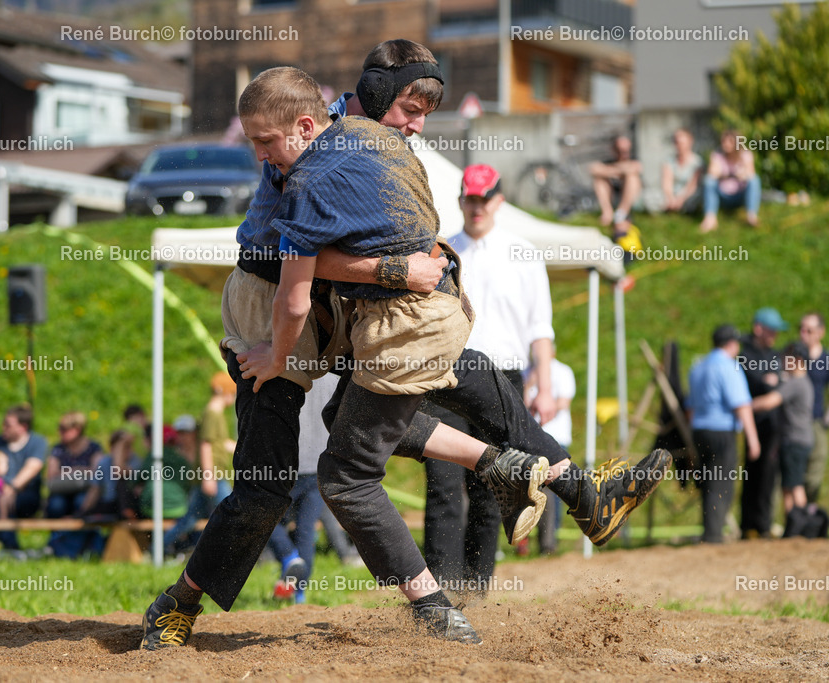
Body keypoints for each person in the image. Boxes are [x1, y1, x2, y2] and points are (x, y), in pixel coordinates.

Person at [140, 45, 668, 652]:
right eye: (411, 109)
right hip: (273, 307)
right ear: (374, 95)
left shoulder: (360, 138)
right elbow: (297, 267)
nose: (418, 126)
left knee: (452, 385)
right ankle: (177, 604)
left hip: (334, 303)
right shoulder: (309, 145)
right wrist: (396, 270)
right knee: (270, 483)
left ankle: (576, 493)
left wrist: (410, 263)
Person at [424, 163, 557, 586]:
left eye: (484, 199)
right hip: (447, 377)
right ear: (461, 199)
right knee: (443, 486)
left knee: (491, 486)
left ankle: (477, 589)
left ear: (498, 200)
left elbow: (541, 328)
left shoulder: (524, 253)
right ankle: (440, 594)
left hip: (503, 379)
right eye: (469, 198)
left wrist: (547, 387)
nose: (476, 206)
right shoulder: (443, 253)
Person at [686, 324, 760, 543]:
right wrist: (752, 439)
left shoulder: (698, 366)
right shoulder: (729, 367)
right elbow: (741, 405)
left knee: (709, 481)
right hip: (722, 431)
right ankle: (714, 535)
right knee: (722, 482)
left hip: (699, 430)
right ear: (731, 344)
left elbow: (690, 406)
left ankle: (710, 530)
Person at [269, 373, 339, 603]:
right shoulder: (333, 373)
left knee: (265, 519)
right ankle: (299, 594)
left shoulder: (286, 366)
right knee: (306, 532)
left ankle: (288, 558)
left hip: (287, 464)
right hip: (320, 464)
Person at [737, 307, 788, 538]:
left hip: (772, 425)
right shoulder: (745, 353)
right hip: (753, 423)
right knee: (751, 474)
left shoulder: (774, 355)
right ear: (758, 328)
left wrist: (772, 380)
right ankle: (748, 524)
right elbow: (761, 381)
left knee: (768, 475)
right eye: (771, 330)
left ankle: (764, 524)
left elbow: (777, 382)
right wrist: (770, 381)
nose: (774, 335)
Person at [752, 341, 815, 518]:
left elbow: (770, 402)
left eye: (785, 359)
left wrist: (744, 406)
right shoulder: (803, 382)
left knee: (795, 486)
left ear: (796, 360)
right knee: (788, 485)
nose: (782, 363)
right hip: (796, 440)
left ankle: (801, 525)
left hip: (795, 440)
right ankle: (793, 524)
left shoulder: (796, 383)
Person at [524, 353, 577, 555]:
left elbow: (565, 401)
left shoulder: (563, 371)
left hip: (557, 437)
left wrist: (545, 404)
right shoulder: (528, 371)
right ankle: (529, 541)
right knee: (531, 490)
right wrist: (530, 384)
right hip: (531, 441)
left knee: (554, 490)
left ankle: (549, 540)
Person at [162, 414, 232, 555]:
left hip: (205, 483)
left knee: (226, 515)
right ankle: (159, 548)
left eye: (186, 432)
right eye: (180, 433)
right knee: (232, 513)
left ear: (194, 432)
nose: (183, 437)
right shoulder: (177, 454)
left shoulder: (200, 446)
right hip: (204, 483)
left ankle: (160, 547)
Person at [0, 404, 48, 550]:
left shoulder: (37, 442)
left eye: (8, 425)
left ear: (23, 427)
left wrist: (12, 489)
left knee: (10, 502)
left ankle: (10, 547)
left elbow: (33, 467)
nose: (3, 427)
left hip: (27, 495)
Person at [45, 411, 104, 558]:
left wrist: (70, 472)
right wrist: (78, 471)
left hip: (85, 491)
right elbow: (51, 475)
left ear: (76, 430)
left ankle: (81, 545)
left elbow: (98, 473)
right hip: (61, 492)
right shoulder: (58, 449)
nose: (59, 432)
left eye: (63, 429)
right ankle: (58, 544)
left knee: (82, 503)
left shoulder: (94, 448)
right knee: (55, 505)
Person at [700, 129, 761, 232]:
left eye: (730, 142)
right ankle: (710, 219)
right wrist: (729, 174)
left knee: (754, 180)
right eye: (724, 141)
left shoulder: (746, 155)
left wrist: (742, 174)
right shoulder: (716, 155)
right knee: (708, 181)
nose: (726, 145)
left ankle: (751, 216)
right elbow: (712, 173)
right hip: (723, 195)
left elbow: (750, 173)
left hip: (740, 195)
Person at [799, 312, 829, 505]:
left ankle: (809, 510)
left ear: (820, 332)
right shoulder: (794, 356)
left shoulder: (826, 358)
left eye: (809, 330)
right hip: (795, 422)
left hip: (816, 420)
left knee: (815, 470)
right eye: (801, 329)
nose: (804, 334)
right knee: (794, 471)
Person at [79, 429, 141, 520]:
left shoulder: (135, 461)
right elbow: (95, 489)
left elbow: (119, 471)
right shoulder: (104, 462)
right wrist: (81, 512)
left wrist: (121, 444)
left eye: (128, 447)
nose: (128, 451)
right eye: (123, 448)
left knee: (122, 484)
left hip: (130, 505)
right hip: (110, 504)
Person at [589, 134, 642, 234]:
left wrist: (609, 170)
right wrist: (620, 170)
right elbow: (593, 169)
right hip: (613, 195)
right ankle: (607, 213)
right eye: (619, 150)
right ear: (614, 149)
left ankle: (621, 214)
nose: (623, 154)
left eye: (625, 151)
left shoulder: (634, 159)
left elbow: (635, 168)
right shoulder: (608, 160)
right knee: (599, 180)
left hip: (634, 200)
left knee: (632, 178)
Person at [661, 128, 703, 214]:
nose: (679, 145)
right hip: (672, 195)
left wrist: (681, 199)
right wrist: (670, 198)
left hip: (688, 195)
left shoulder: (697, 162)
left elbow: (692, 186)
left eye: (681, 143)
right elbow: (666, 183)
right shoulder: (668, 161)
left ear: (690, 142)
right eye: (676, 143)